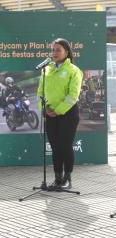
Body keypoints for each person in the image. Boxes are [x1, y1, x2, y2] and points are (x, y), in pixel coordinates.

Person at [37, 38, 83, 190]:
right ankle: (57, 179)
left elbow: (73, 95)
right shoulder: (47, 69)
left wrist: (57, 110)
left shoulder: (74, 70)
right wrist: (43, 109)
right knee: (55, 147)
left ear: (67, 52)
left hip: (68, 114)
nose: (55, 53)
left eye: (58, 50)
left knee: (65, 146)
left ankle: (67, 179)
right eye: (53, 50)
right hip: (49, 114)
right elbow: (40, 92)